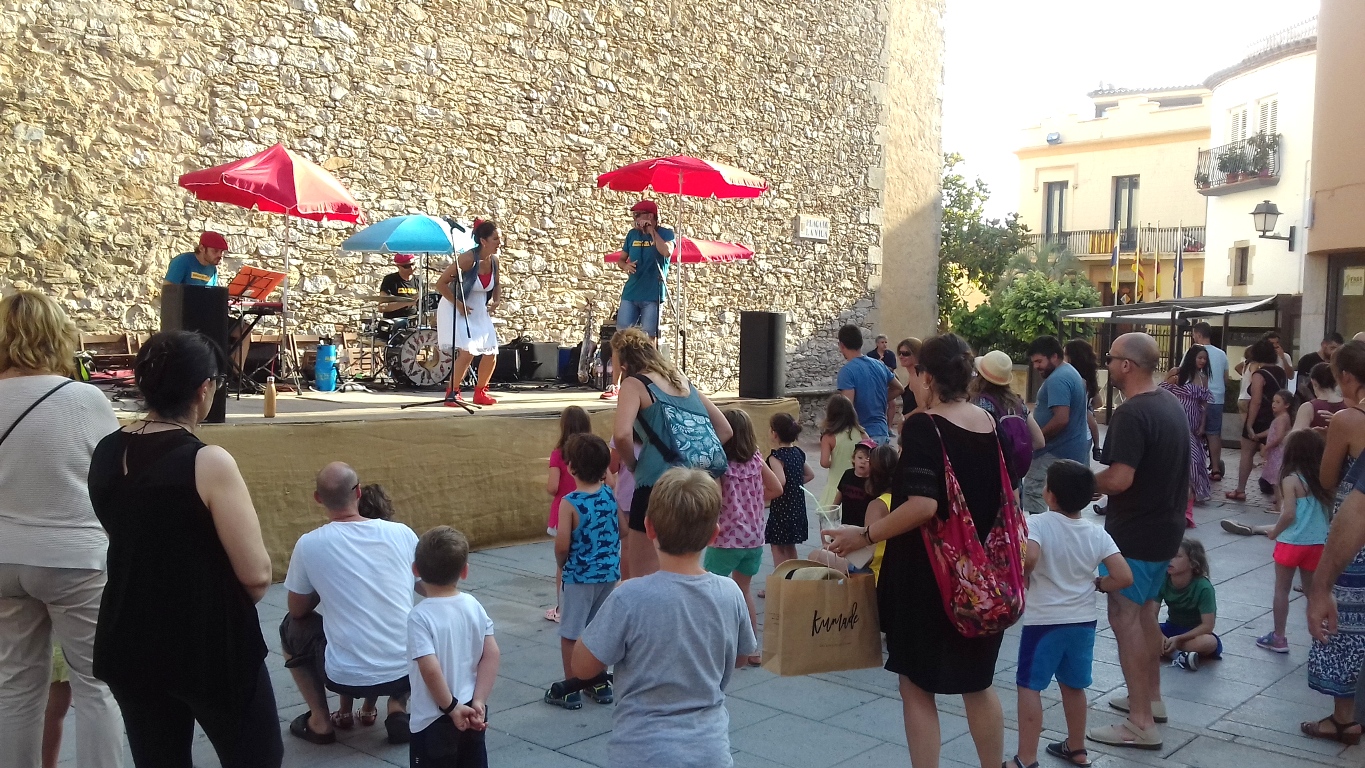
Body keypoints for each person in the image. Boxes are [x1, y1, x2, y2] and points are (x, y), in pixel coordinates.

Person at [88, 330, 280, 767]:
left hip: (129, 628)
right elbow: (256, 575)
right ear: (203, 389)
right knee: (255, 756)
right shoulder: (207, 461)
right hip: (206, 639)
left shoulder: (106, 449)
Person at [823, 333, 1015, 768]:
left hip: (928, 580)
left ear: (927, 376)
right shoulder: (990, 422)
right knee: (978, 684)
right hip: (981, 577)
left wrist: (866, 536)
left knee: (915, 686)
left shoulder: (924, 426)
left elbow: (923, 505)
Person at [0, 291, 123, 768]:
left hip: (5, 557)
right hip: (73, 553)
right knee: (97, 686)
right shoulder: (83, 398)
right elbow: (113, 473)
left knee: (14, 688)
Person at [571, 468, 757, 768]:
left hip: (641, 750)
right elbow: (741, 658)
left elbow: (582, 667)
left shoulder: (629, 597)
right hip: (709, 749)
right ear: (714, 534)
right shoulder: (730, 592)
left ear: (649, 527)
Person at [1085, 333, 1189, 751]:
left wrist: (1081, 482)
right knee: (1147, 613)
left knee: (1124, 617)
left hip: (1134, 535)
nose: (1107, 365)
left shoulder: (1130, 414)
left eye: (1110, 359)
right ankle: (1152, 700)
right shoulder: (1170, 403)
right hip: (1165, 530)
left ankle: (1141, 722)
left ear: (1127, 365)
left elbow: (1119, 479)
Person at [281, 462, 420, 746]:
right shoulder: (403, 533)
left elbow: (297, 611)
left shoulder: (309, 544)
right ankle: (398, 705)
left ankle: (320, 720)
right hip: (408, 669)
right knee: (407, 622)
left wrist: (325, 586)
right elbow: (427, 587)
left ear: (318, 498)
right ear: (358, 492)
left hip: (344, 676)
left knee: (290, 627)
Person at [1015, 459, 1131, 768]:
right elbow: (1124, 576)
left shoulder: (1038, 522)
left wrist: (1024, 573)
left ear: (1050, 495)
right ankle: (1077, 748)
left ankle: (1026, 758)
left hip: (1044, 622)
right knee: (1074, 685)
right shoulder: (1096, 534)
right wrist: (1101, 583)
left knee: (1030, 686)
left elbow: (1032, 557)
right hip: (1083, 622)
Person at [611, 327, 732, 579]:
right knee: (685, 572)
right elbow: (725, 429)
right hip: (693, 487)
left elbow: (622, 435)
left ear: (623, 363)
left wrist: (633, 465)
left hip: (654, 486)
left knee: (642, 577)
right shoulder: (682, 381)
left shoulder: (634, 384)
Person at [1302, 341, 1365, 746]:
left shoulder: (1348, 419)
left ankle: (1344, 718)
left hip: (1352, 540)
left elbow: (1327, 482)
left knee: (1346, 623)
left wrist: (1330, 444)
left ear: (1344, 376)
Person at [1225, 431, 1331, 652]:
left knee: (1281, 590)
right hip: (1317, 544)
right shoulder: (1323, 480)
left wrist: (1275, 532)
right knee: (1313, 592)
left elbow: (1289, 514)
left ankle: (1279, 637)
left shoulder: (1290, 479)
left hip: (1291, 542)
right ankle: (1319, 634)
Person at [406, 526, 500, 768]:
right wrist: (478, 700)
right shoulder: (473, 604)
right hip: (472, 710)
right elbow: (491, 654)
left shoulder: (420, 617)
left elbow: (429, 668)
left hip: (434, 718)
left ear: (415, 570)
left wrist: (450, 706)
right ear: (465, 571)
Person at [546, 434, 621, 710]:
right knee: (596, 628)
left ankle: (571, 686)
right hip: (608, 574)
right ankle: (598, 681)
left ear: (571, 468)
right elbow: (621, 530)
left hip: (579, 576)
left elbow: (562, 543)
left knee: (571, 631)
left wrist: (561, 561)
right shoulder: (608, 495)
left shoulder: (570, 502)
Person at [705, 409, 782, 668]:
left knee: (709, 590)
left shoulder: (720, 465)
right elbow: (776, 489)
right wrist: (752, 502)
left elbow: (713, 500)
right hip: (753, 538)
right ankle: (752, 650)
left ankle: (713, 644)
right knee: (744, 590)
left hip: (726, 539)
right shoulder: (756, 460)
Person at [601, 200, 675, 400]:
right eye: (633, 216)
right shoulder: (632, 235)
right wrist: (625, 267)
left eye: (638, 215)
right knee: (619, 339)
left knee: (649, 341)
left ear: (650, 216)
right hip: (631, 293)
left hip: (653, 294)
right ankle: (615, 385)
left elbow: (666, 252)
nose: (634, 220)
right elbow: (620, 259)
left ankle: (650, 383)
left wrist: (652, 232)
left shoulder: (666, 233)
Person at [436, 219, 503, 406]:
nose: (500, 242)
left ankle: (480, 392)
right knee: (468, 352)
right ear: (483, 241)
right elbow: (440, 284)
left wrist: (496, 300)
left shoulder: (494, 262)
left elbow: (496, 284)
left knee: (491, 352)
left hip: (478, 309)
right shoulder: (467, 259)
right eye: (496, 238)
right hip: (455, 307)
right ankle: (452, 392)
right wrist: (458, 304)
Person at [1024, 336, 1092, 514]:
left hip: (1053, 451)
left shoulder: (1057, 379)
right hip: (1068, 449)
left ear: (1054, 356)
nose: (1036, 366)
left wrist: (1037, 439)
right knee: (1063, 503)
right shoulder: (1070, 372)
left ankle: (1039, 537)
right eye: (1034, 362)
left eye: (1039, 361)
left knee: (1034, 494)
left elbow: (1061, 419)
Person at [972, 348, 1045, 490]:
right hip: (1014, 482)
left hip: (988, 480)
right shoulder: (1017, 403)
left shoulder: (978, 403)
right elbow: (1039, 441)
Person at [545, 405, 592, 622]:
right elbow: (608, 481)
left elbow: (553, 487)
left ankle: (563, 608)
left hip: (563, 513)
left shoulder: (558, 454)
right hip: (587, 512)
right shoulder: (590, 452)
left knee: (562, 564)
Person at [1227, 339, 1288, 501]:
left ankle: (1240, 489)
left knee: (1247, 453)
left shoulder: (1259, 374)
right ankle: (1279, 494)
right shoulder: (1281, 372)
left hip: (1260, 417)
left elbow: (1256, 400)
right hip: (1276, 418)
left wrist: (1249, 424)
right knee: (1276, 455)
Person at [1154, 539, 1221, 672]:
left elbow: (1207, 625)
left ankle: (1167, 649)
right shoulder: (1162, 579)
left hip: (1193, 634)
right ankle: (1179, 655)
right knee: (1140, 632)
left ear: (1193, 562)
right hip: (1170, 628)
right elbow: (1151, 614)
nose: (1170, 560)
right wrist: (1159, 636)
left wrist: (1179, 639)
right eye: (1169, 555)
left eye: (1177, 556)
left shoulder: (1203, 587)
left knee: (1209, 642)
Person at [1159, 345, 1214, 506]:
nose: (1203, 361)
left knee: (1195, 457)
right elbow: (1162, 391)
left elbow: (1204, 404)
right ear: (1192, 358)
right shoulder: (1177, 372)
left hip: (1194, 418)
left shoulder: (1203, 378)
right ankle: (1180, 488)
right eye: (1200, 358)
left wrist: (1202, 424)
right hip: (1176, 416)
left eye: (1205, 358)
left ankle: (1192, 489)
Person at [836, 325, 903, 445]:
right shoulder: (879, 365)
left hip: (861, 436)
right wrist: (878, 399)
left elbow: (847, 408)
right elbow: (899, 388)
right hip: (882, 432)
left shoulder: (847, 371)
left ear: (841, 345)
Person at [766, 412, 813, 569]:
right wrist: (796, 484)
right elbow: (809, 474)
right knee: (790, 546)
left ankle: (781, 582)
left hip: (782, 508)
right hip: (797, 506)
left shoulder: (776, 457)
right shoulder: (798, 453)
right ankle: (795, 578)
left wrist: (766, 492)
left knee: (777, 546)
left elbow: (780, 481)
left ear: (775, 434)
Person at [1191, 323, 1230, 482]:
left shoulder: (1192, 352)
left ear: (1198, 334)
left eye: (1194, 334)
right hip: (1217, 398)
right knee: (1214, 434)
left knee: (1194, 433)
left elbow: (1185, 374)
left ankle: (1195, 467)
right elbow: (1226, 378)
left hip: (1197, 398)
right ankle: (1215, 469)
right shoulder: (1221, 354)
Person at [818, 393, 866, 507]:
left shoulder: (828, 437)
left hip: (835, 485)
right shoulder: (861, 433)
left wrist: (836, 461)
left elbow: (824, 463)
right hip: (855, 486)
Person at [1064, 339, 1103, 461]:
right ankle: (1097, 446)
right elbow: (1099, 402)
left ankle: (1097, 446)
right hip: (1086, 435)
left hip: (1076, 435)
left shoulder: (1073, 380)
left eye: (1064, 354)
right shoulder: (1088, 377)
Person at [1260, 390, 1294, 501]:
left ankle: (1279, 505)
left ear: (1287, 405)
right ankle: (1278, 502)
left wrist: (1267, 447)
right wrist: (1257, 435)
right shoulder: (1283, 417)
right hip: (1277, 452)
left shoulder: (1282, 418)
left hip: (1277, 453)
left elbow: (1278, 437)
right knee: (1276, 479)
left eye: (1278, 402)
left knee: (1276, 481)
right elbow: (1271, 431)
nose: (1274, 404)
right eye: (1273, 401)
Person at [1293, 362, 1347, 432]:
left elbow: (1295, 438)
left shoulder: (1308, 407)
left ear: (1314, 382)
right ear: (1336, 382)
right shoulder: (1348, 405)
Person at [163, 231, 228, 286]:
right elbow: (168, 292)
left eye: (221, 251)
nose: (220, 255)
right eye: (215, 251)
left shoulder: (212, 269)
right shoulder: (182, 262)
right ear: (201, 248)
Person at [892, 337, 925, 433]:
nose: (901, 356)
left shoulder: (917, 376)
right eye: (900, 353)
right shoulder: (912, 375)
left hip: (916, 426)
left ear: (916, 354)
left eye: (906, 353)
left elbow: (923, 407)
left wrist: (904, 418)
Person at [1299, 333, 1346, 400]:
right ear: (1324, 344)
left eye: (1338, 350)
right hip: (1305, 401)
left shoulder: (1338, 363)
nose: (1334, 352)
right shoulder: (1307, 360)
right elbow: (1301, 386)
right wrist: (1316, 401)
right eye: (1332, 348)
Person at [377, 253, 420, 325]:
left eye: (413, 264)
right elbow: (382, 307)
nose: (411, 268)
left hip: (413, 323)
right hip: (393, 323)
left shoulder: (419, 280)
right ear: (398, 266)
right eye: (407, 266)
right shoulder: (390, 280)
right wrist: (407, 302)